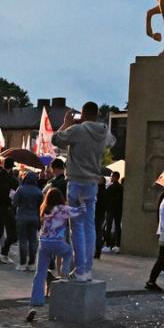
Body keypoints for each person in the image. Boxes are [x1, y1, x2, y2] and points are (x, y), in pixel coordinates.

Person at [51, 102, 115, 282]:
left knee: (76, 227)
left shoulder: (77, 130)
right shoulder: (103, 131)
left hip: (76, 182)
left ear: (84, 114)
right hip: (92, 183)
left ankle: (79, 270)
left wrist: (67, 123)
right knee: (89, 225)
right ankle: (87, 269)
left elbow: (55, 139)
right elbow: (111, 141)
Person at [27, 188, 82, 321]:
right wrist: (83, 202)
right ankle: (64, 274)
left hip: (43, 243)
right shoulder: (62, 209)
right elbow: (79, 211)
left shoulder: (45, 209)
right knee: (68, 253)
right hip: (57, 241)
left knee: (40, 273)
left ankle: (35, 302)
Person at [13, 171, 43, 272]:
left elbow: (15, 203)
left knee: (23, 240)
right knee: (33, 241)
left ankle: (22, 263)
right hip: (34, 217)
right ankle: (32, 263)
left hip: (22, 217)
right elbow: (41, 206)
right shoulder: (38, 191)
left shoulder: (21, 189)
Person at [101, 171, 123, 252]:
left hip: (110, 209)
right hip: (118, 209)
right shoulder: (121, 187)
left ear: (115, 177)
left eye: (112, 176)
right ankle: (118, 245)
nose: (111, 178)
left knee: (108, 227)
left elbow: (106, 198)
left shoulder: (110, 187)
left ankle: (108, 245)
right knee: (117, 227)